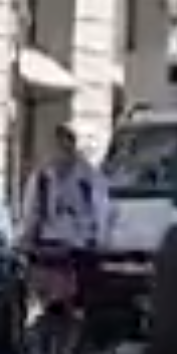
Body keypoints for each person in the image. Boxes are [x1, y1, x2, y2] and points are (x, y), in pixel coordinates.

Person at [17, 123, 111, 328]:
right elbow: (30, 211)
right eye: (57, 146)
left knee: (79, 300)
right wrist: (25, 238)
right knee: (42, 294)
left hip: (79, 246)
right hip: (47, 245)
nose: (61, 153)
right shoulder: (42, 178)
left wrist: (98, 240)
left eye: (67, 146)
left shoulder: (89, 178)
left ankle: (77, 328)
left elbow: (101, 210)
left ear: (73, 148)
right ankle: (41, 333)